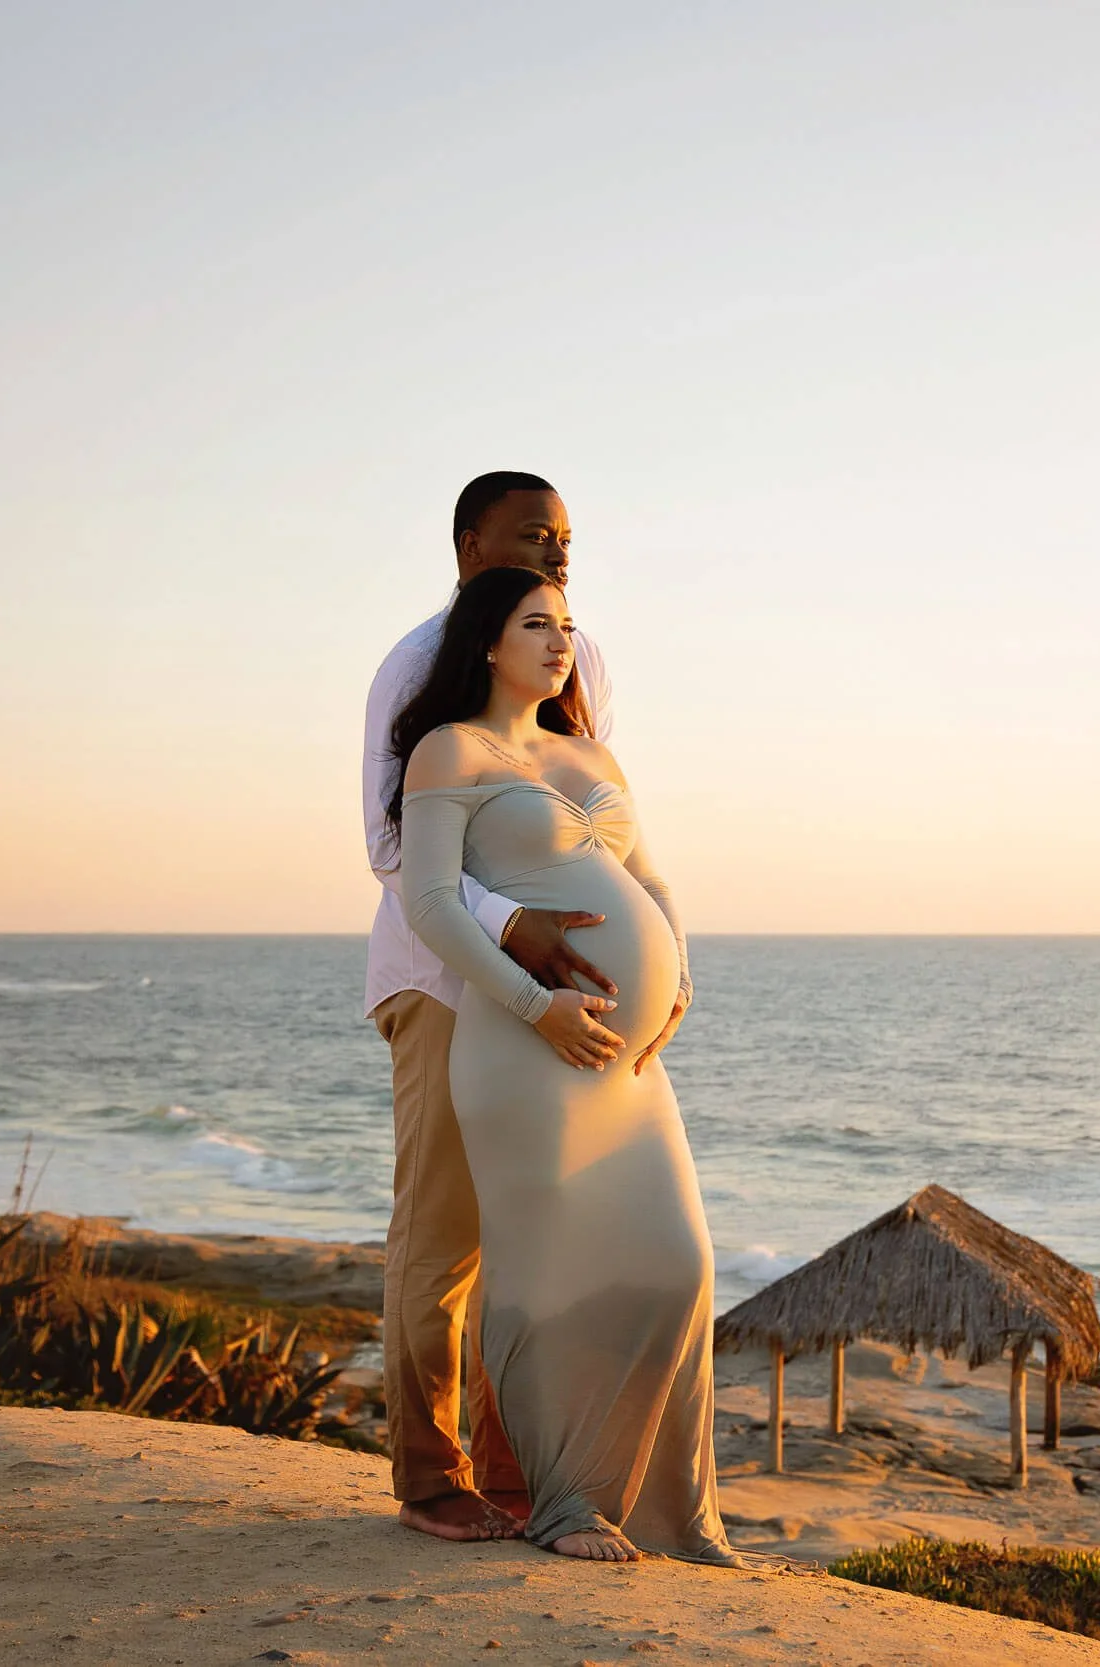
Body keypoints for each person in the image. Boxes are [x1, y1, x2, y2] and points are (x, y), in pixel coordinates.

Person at [389, 564, 748, 1564]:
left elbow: (648, 874)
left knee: (677, 1264)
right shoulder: (448, 751)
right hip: (521, 1044)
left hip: (627, 1065)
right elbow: (430, 905)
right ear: (487, 641)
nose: (558, 641)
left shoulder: (593, 753)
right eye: (534, 623)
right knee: (540, 1279)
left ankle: (673, 1510)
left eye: (566, 624)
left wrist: (677, 974)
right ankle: (567, 1505)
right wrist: (534, 1003)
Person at [361, 472, 616, 1543]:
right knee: (444, 1238)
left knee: (539, 1237)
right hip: (440, 987)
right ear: (468, 543)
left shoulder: (581, 657)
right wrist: (514, 930)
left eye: (564, 539)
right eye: (529, 536)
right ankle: (430, 1476)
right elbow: (391, 853)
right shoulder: (415, 666)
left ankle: (517, 1465)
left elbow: (594, 823)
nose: (555, 555)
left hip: (557, 1000)